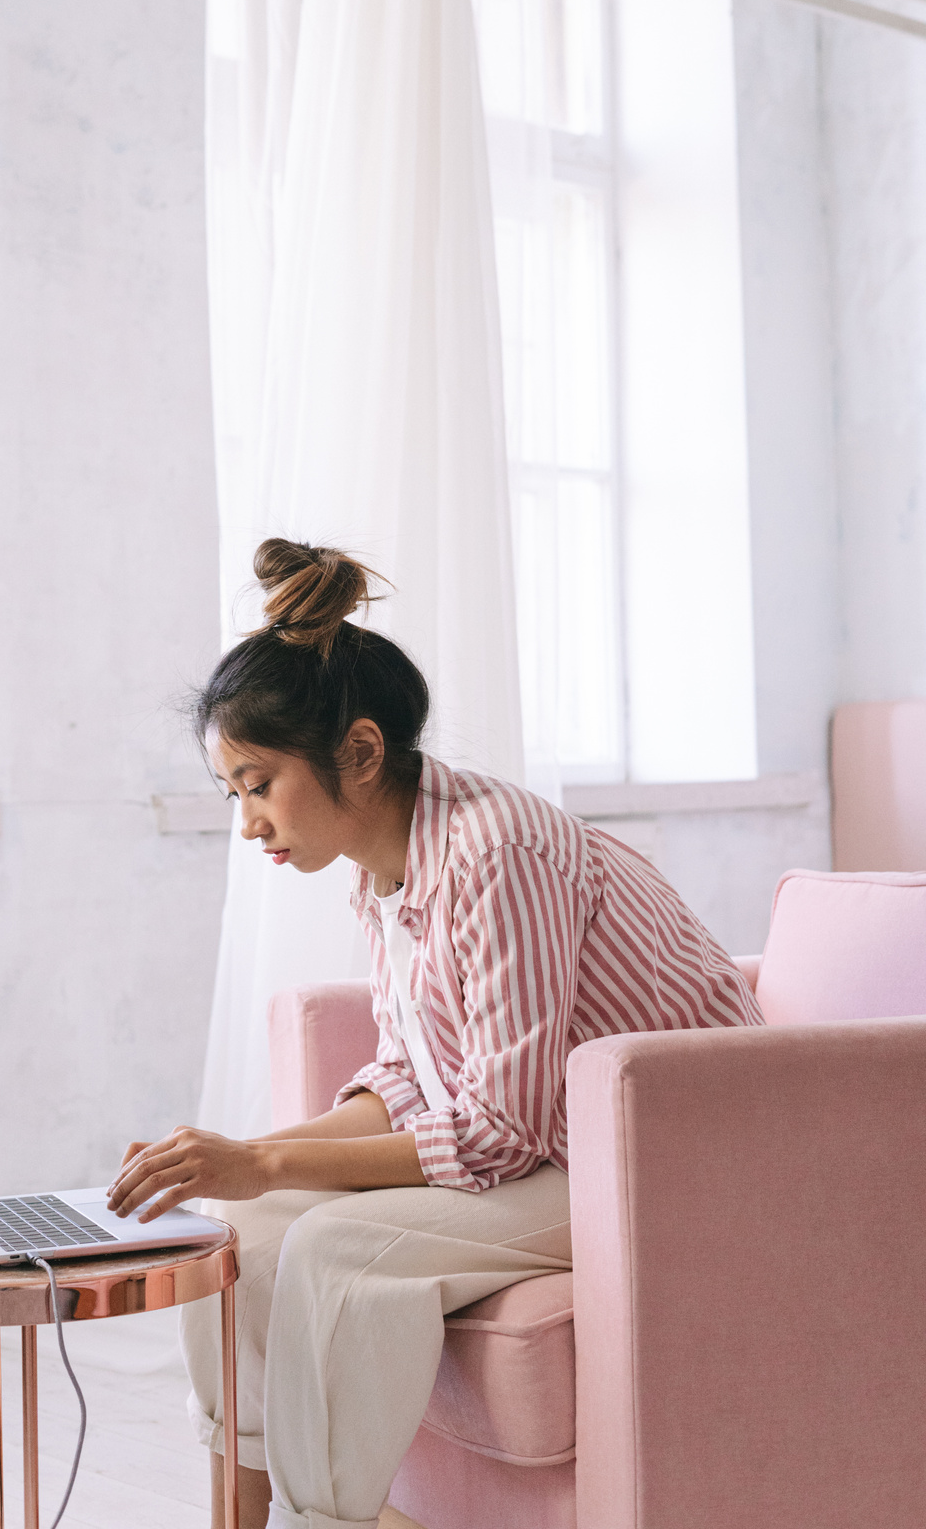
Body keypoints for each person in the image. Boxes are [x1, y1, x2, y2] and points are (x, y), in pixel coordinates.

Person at [107, 539, 764, 1529]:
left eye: (258, 784)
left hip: (670, 1161)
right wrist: (232, 1168)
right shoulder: (389, 871)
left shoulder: (497, 848)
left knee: (336, 1255)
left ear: (360, 753)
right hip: (556, 1146)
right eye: (231, 792)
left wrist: (264, 1156)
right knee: (230, 1235)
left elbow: (497, 1129)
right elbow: (413, 1079)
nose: (247, 824)